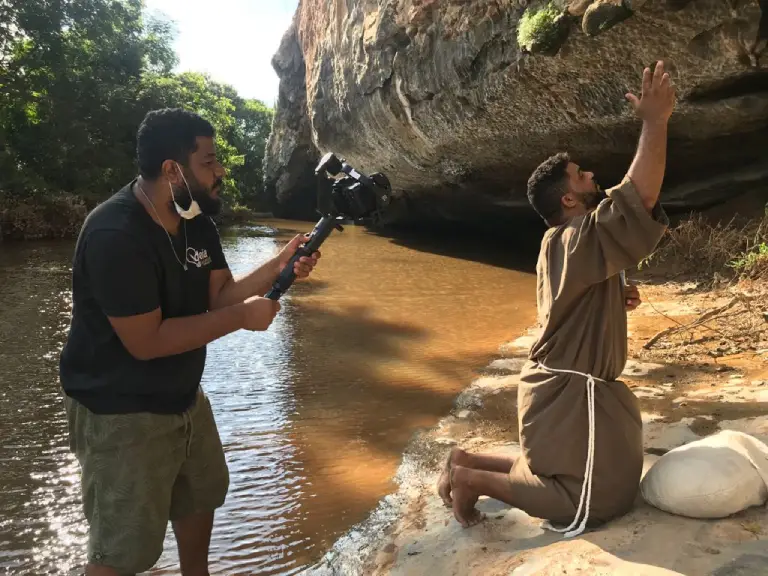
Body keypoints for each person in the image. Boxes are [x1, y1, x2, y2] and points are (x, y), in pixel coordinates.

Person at [59, 108, 321, 575]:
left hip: (183, 399)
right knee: (121, 553)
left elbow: (219, 294)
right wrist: (243, 318)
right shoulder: (115, 233)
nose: (220, 170)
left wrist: (280, 265)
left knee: (200, 498)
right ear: (171, 170)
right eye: (209, 161)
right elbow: (147, 341)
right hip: (120, 412)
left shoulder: (196, 219)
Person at [438, 61, 675, 534]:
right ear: (568, 200)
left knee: (581, 479)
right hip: (569, 395)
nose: (590, 176)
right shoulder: (571, 238)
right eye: (580, 176)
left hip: (563, 393)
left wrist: (613, 297)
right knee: (593, 502)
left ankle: (468, 459)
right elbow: (638, 198)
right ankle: (468, 478)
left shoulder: (563, 245)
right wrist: (654, 122)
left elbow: (572, 303)